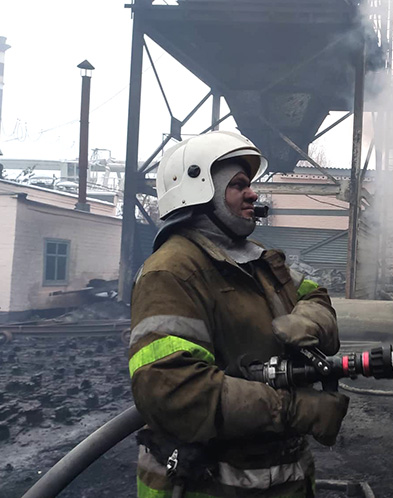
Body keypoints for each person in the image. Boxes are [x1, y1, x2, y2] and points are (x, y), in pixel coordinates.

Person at [128, 131, 349, 497]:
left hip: (280, 480)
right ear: (199, 191)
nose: (253, 194)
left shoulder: (258, 259)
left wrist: (312, 318)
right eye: (238, 185)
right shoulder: (170, 272)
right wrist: (291, 409)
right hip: (204, 487)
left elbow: (315, 295)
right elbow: (172, 390)